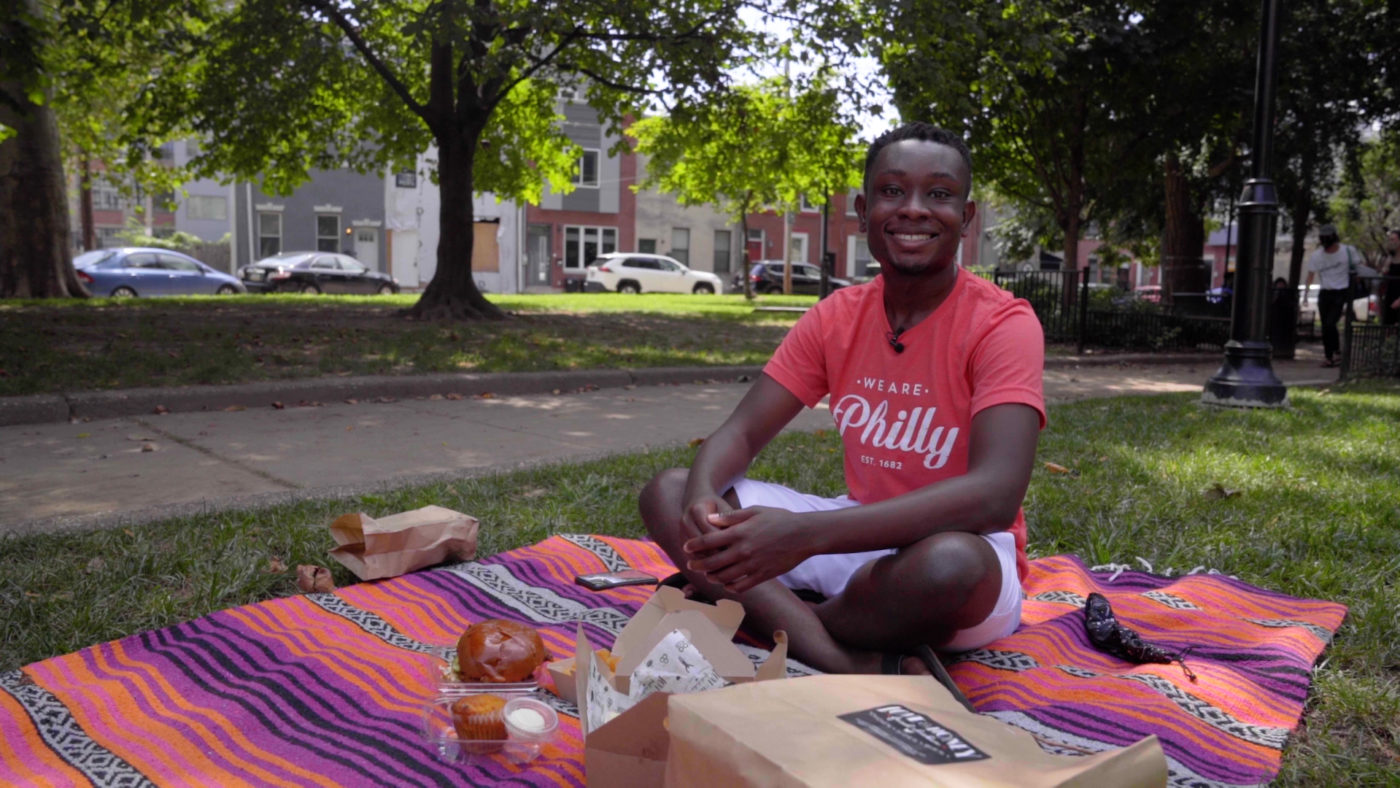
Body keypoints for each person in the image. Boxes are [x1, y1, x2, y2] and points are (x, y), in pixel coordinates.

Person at [639, 123, 1045, 680]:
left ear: (967, 217)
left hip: (957, 561)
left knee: (949, 564)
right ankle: (836, 652)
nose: (915, 210)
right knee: (669, 490)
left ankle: (772, 614)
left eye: (940, 194)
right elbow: (740, 434)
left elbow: (994, 496)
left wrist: (803, 538)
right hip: (855, 534)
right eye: (893, 191)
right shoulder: (837, 315)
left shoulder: (1002, 322)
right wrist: (703, 499)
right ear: (863, 209)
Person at [1302, 224, 1359, 367]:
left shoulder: (1347, 251)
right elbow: (1310, 275)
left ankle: (1336, 352)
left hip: (1341, 291)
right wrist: (1306, 296)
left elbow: (1358, 269)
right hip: (1325, 292)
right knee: (1325, 326)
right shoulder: (1317, 255)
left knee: (1330, 322)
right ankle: (1330, 356)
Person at [1382, 229, 1400, 327]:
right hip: (1389, 297)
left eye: (1393, 239)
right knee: (1389, 328)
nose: (1391, 242)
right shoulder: (1390, 258)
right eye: (1389, 240)